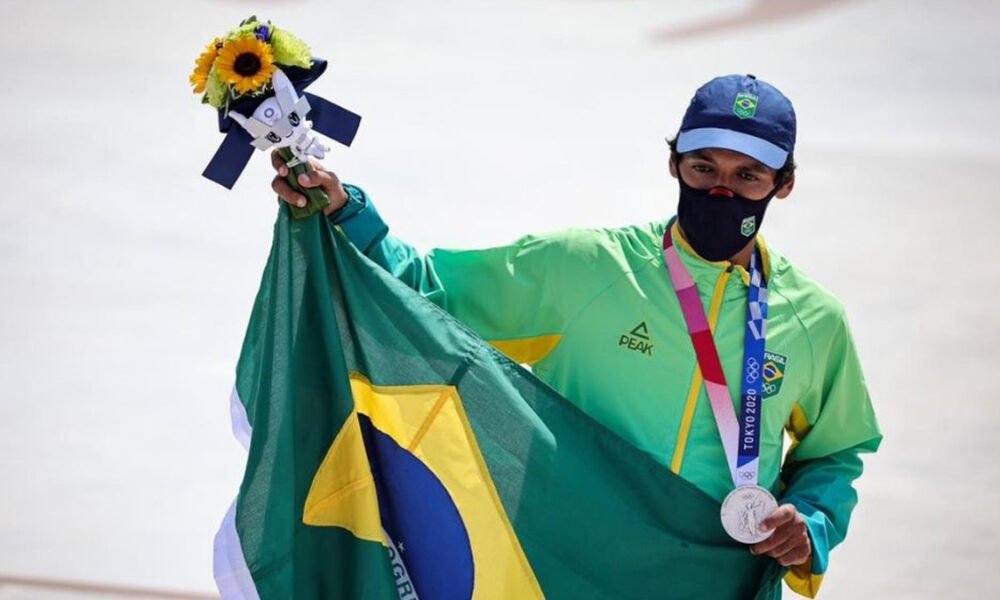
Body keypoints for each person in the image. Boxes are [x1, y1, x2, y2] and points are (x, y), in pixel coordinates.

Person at [267, 73, 881, 598]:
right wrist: (346, 210)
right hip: (565, 572)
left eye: (748, 176)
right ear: (674, 165)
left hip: (713, 580)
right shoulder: (587, 268)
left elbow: (835, 449)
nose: (722, 190)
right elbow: (430, 292)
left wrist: (814, 525)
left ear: (784, 183)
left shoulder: (812, 320)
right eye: (703, 168)